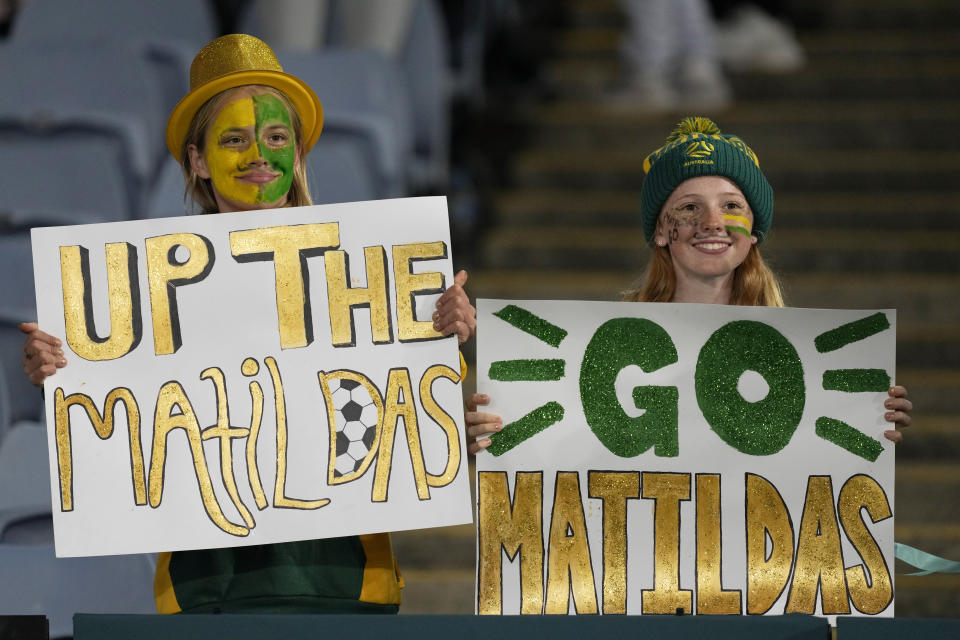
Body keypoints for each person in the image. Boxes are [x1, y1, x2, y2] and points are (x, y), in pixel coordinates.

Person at [19, 33, 477, 614]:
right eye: (234, 138)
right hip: (206, 588)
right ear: (198, 160)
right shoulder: (142, 289)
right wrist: (59, 370)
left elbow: (422, 425)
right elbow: (110, 432)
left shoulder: (367, 271)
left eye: (276, 137)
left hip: (344, 582)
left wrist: (447, 331)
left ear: (298, 152)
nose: (259, 154)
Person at [465, 115, 911, 453]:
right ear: (660, 231)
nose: (713, 223)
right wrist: (494, 432)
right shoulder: (601, 350)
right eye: (689, 208)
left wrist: (872, 417)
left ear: (753, 230)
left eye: (731, 205)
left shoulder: (804, 357)